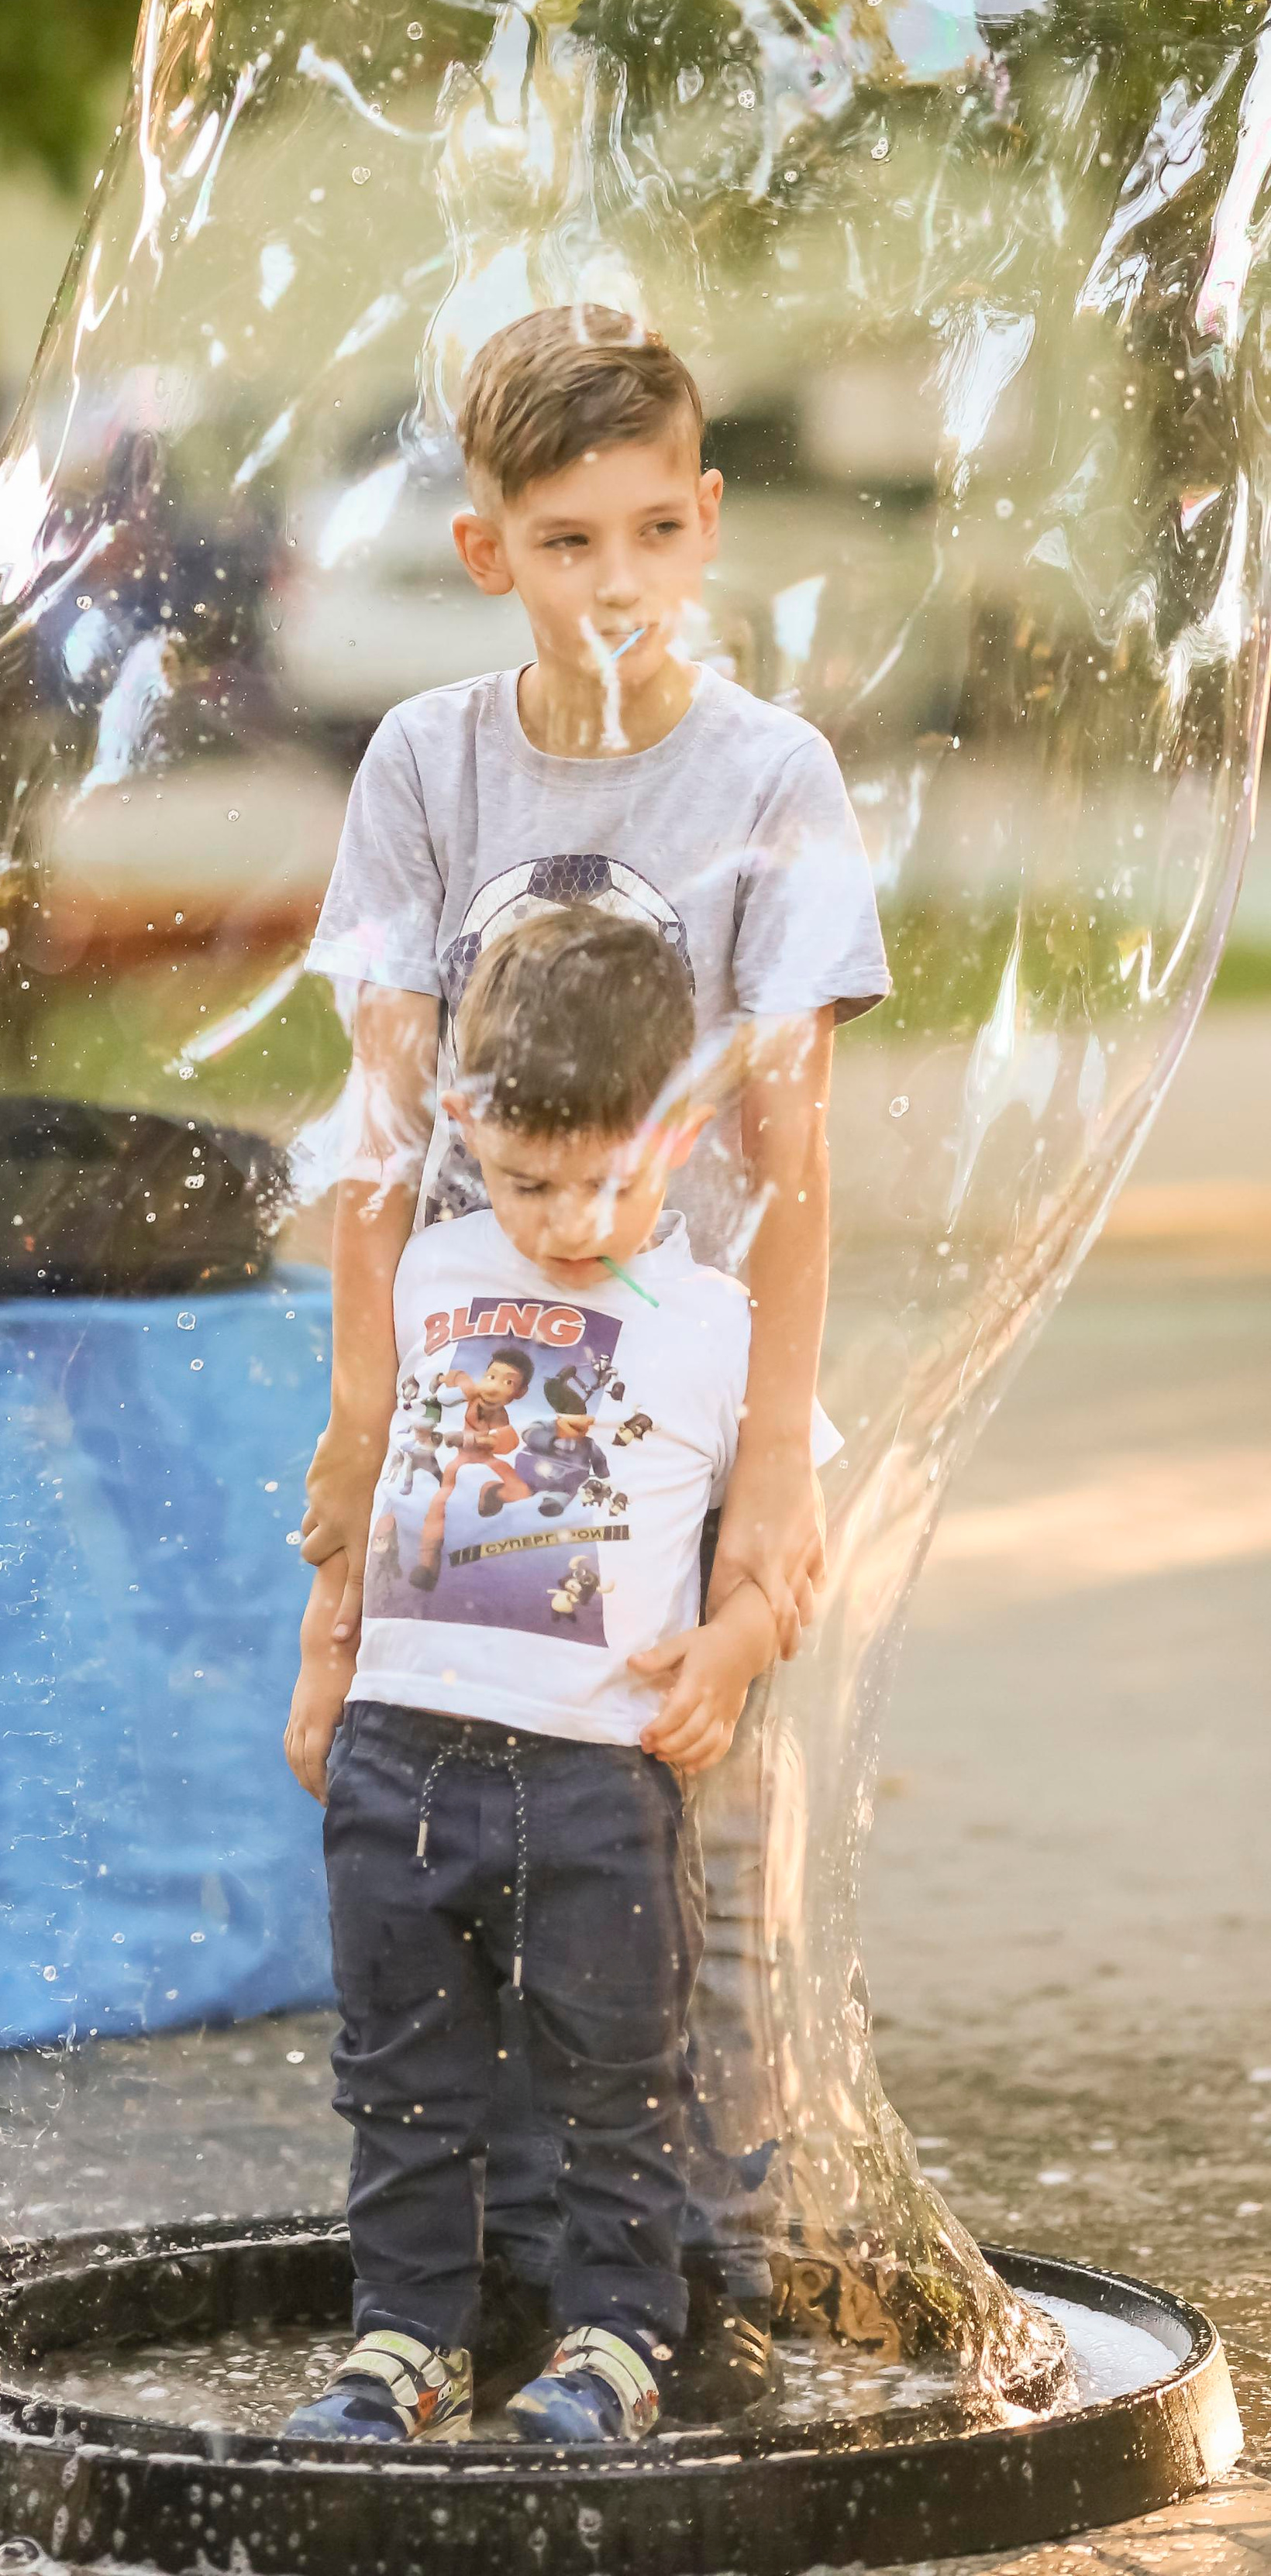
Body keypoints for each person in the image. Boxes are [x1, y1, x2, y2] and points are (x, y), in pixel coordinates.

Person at [286, 303, 888, 2398]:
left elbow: (795, 1159)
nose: (614, 583)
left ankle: (652, 2303)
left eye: (651, 532)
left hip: (686, 1399)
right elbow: (379, 1131)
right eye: (565, 543)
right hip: (477, 1403)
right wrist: (362, 1436)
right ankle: (453, 2301)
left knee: (661, 1842)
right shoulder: (426, 765)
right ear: (488, 555)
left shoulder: (770, 780)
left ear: (708, 522)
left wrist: (784, 1470)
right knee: (451, 1849)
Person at [284, 910, 835, 2447]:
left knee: (615, 2083)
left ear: (685, 1135)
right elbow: (363, 1501)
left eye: (612, 1180)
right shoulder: (425, 1268)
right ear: (464, 1124)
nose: (567, 1219)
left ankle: (614, 2337)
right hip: (400, 1753)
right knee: (397, 2084)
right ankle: (403, 2340)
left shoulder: (718, 1323)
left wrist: (724, 1652)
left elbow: (786, 1547)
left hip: (598, 1775)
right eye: (529, 1181)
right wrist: (322, 1671)